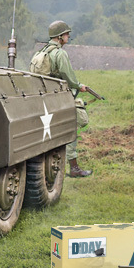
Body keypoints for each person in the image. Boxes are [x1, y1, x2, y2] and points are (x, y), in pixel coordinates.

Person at [33, 20, 92, 177]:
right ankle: (74, 168)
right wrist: (79, 86)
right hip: (58, 98)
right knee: (71, 127)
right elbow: (68, 76)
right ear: (60, 36)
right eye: (66, 34)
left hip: (45, 99)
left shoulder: (41, 52)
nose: (68, 37)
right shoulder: (60, 54)